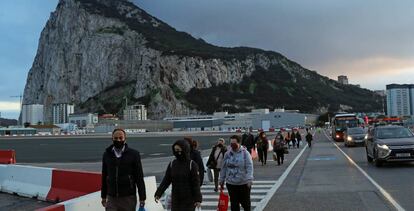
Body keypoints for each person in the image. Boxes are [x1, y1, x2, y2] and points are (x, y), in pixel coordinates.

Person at [101, 128, 146, 211]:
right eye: (116, 138)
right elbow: (104, 176)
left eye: (121, 138)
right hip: (111, 198)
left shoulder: (134, 154)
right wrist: (103, 196)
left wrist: (142, 198)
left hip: (128, 198)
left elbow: (139, 177)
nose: (118, 140)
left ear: (125, 139)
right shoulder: (106, 155)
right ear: (112, 139)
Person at [154, 140, 202, 211]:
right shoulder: (172, 164)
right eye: (175, 150)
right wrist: (158, 193)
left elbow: (196, 184)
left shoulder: (192, 164)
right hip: (176, 199)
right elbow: (166, 180)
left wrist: (198, 199)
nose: (177, 152)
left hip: (189, 199)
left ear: (185, 150)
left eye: (179, 150)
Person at [219, 135, 254, 211]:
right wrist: (221, 180)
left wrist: (249, 179)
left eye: (234, 143)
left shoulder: (245, 154)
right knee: (234, 204)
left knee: (246, 204)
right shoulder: (227, 154)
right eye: (231, 143)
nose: (232, 145)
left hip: (243, 184)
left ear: (239, 143)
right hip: (231, 184)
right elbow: (224, 168)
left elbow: (249, 167)